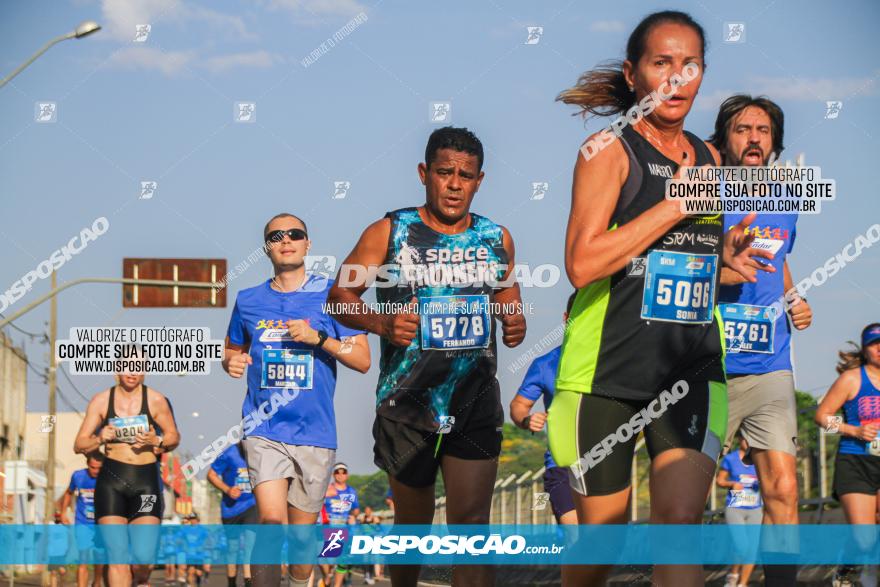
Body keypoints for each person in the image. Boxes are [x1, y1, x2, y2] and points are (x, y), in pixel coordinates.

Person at [550, 10, 774, 587]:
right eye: (661, 63)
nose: (677, 79)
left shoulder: (711, 159)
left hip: (690, 365)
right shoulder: (607, 151)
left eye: (689, 65)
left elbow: (680, 256)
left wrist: (723, 258)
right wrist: (674, 204)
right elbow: (583, 263)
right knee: (604, 540)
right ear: (633, 74)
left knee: (679, 524)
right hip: (606, 374)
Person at [328, 126, 527, 587]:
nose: (454, 184)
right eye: (444, 172)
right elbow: (340, 294)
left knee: (472, 529)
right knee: (413, 530)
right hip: (408, 404)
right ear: (424, 174)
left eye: (465, 175)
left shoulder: (496, 237)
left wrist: (513, 319)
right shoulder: (390, 231)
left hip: (475, 398)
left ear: (480, 180)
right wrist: (382, 323)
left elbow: (507, 290)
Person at [223, 213, 370, 587]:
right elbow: (232, 349)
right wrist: (231, 361)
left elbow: (363, 360)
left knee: (303, 544)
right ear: (267, 248)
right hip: (264, 426)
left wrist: (318, 339)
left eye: (295, 234)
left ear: (307, 244)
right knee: (271, 526)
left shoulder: (334, 296)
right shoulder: (248, 300)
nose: (285, 239)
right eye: (276, 236)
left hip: (315, 433)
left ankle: (300, 580)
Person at [711, 94, 813, 587]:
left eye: (764, 130)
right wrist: (724, 274)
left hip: (771, 361)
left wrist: (794, 297)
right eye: (742, 129)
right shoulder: (702, 195)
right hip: (708, 364)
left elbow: (778, 258)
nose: (753, 137)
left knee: (784, 489)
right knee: (683, 494)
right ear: (724, 140)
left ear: (774, 142)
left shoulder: (785, 199)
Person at [74, 370, 180, 587]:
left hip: (145, 482)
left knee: (143, 555)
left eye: (138, 366)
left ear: (145, 371)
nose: (132, 372)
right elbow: (79, 444)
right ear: (117, 370)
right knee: (117, 556)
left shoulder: (156, 400)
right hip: (112, 481)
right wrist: (99, 438)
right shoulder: (101, 400)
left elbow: (174, 436)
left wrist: (157, 440)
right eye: (127, 365)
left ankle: (140, 578)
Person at [815, 323, 880, 587]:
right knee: (864, 536)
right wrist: (853, 429)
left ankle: (871, 575)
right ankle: (847, 565)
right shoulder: (853, 379)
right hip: (855, 461)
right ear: (865, 350)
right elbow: (822, 418)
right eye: (875, 344)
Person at [509, 292, 578, 525]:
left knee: (604, 541)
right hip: (561, 465)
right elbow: (518, 405)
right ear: (566, 318)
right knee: (575, 532)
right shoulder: (545, 363)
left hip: (607, 460)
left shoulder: (614, 361)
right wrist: (527, 420)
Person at [208, 442, 257, 587]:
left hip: (251, 504)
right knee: (233, 548)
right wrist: (228, 489)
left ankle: (248, 582)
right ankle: (232, 582)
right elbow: (211, 475)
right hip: (231, 508)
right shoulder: (229, 453)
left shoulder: (260, 452)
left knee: (250, 544)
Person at [716, 436, 762, 587]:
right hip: (735, 507)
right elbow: (720, 480)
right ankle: (733, 574)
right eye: (746, 439)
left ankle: (743, 583)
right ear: (740, 440)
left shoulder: (760, 459)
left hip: (755, 508)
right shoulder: (730, 459)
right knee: (741, 545)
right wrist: (732, 484)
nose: (749, 442)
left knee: (752, 548)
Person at [58, 452, 105, 587]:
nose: (95, 471)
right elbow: (68, 492)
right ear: (87, 464)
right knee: (83, 559)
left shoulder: (108, 478)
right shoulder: (78, 476)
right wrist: (63, 513)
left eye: (99, 468)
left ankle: (97, 582)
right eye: (92, 467)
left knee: (99, 558)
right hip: (83, 523)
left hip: (101, 523)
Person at [319, 463, 360, 587]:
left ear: (347, 475)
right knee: (323, 560)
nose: (341, 475)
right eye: (338, 472)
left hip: (344, 528)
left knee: (342, 560)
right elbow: (315, 503)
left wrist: (354, 516)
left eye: (343, 472)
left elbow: (356, 509)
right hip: (327, 527)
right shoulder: (327, 489)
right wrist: (325, 495)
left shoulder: (351, 492)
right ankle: (327, 577)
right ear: (333, 474)